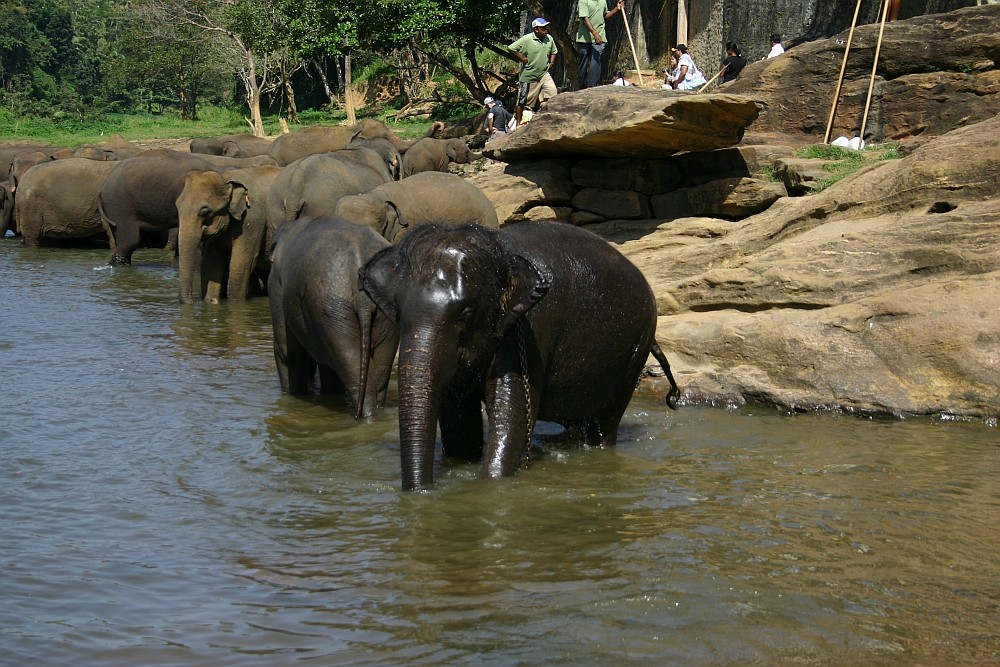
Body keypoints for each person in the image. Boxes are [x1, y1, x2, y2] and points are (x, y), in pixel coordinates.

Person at [508, 17, 559, 126]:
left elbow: (554, 51)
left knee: (552, 93)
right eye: (543, 27)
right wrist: (522, 59)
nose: (546, 29)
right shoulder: (527, 39)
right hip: (529, 76)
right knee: (523, 101)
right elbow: (511, 48)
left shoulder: (549, 38)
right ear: (536, 29)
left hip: (544, 73)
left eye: (546, 27)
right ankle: (518, 124)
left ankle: (546, 118)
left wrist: (551, 63)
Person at [577, 0, 625, 89]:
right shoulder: (583, 1)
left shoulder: (602, 1)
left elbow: (605, 16)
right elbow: (584, 19)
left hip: (600, 38)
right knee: (583, 63)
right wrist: (594, 33)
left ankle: (592, 87)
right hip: (584, 38)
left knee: (595, 62)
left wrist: (616, 9)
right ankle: (581, 86)